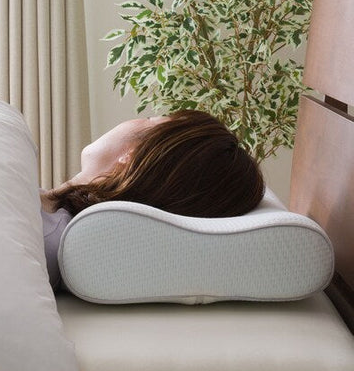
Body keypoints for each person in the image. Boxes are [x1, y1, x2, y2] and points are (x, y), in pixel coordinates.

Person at [40, 109, 265, 291]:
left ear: (131, 156)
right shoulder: (44, 215)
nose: (134, 119)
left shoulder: (43, 231)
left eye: (150, 119)